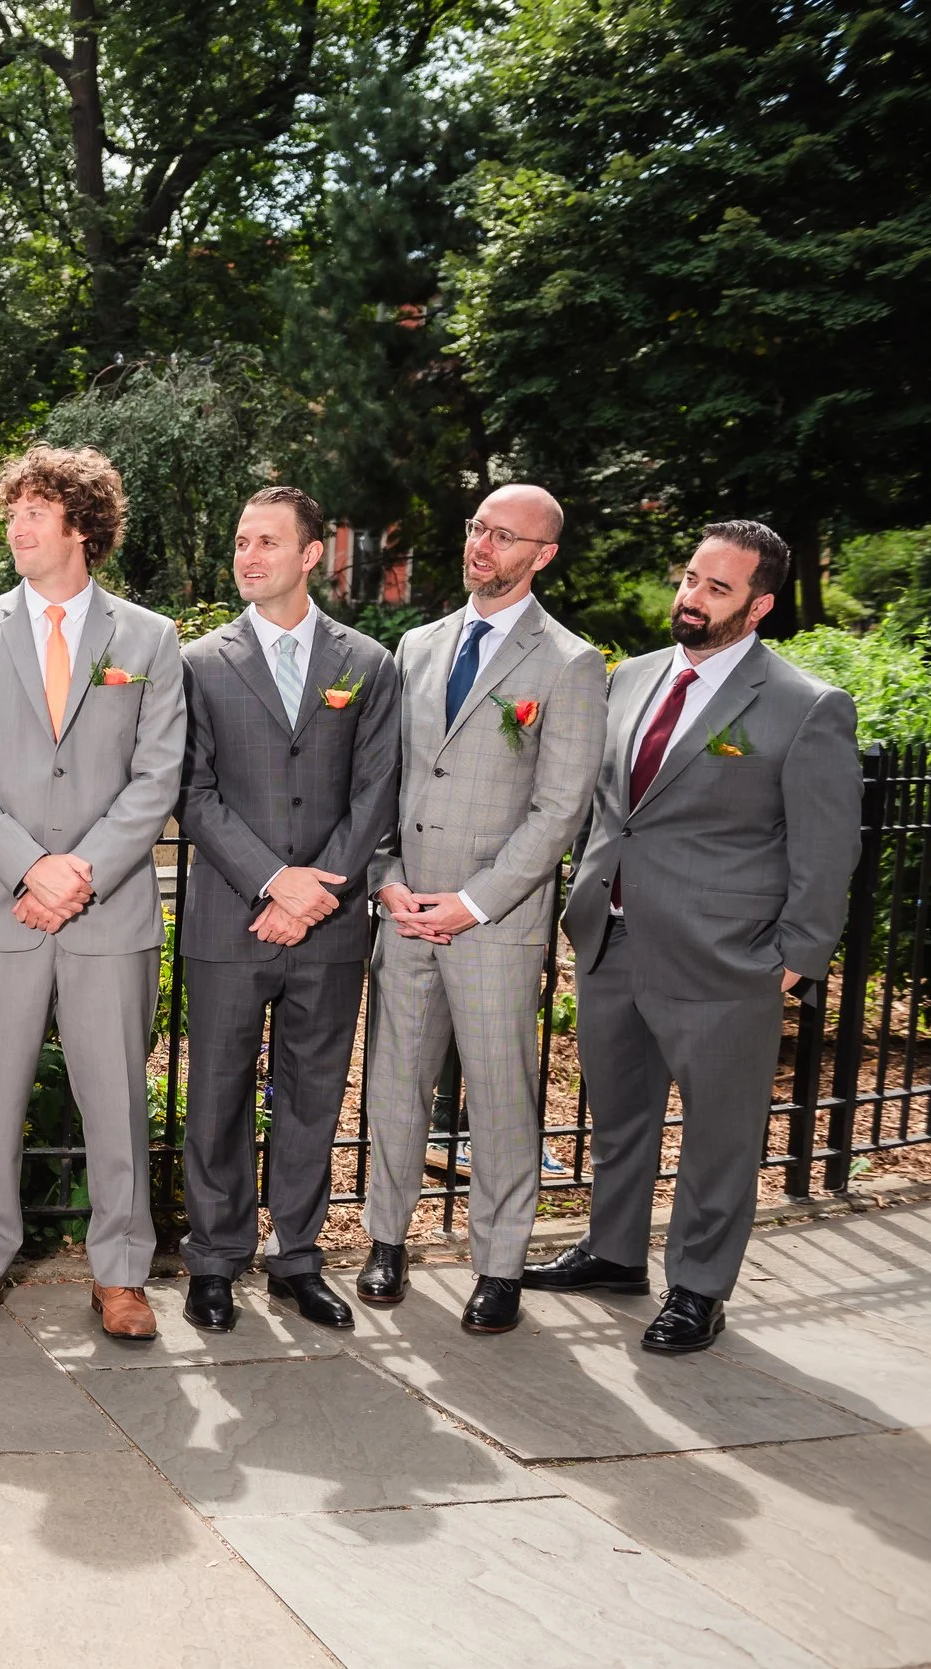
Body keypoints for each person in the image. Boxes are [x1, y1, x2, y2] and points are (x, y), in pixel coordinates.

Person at [524, 523, 859, 1353]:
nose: (692, 598)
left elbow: (826, 845)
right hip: (613, 938)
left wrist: (797, 955)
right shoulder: (631, 676)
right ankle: (613, 1252)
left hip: (727, 957)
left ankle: (700, 1287)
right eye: (690, 578)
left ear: (760, 606)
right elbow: (612, 807)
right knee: (620, 1114)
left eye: (717, 587)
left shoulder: (805, 705)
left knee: (721, 1130)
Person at [0, 446, 186, 1339]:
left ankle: (121, 1272)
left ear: (82, 524)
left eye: (35, 510)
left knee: (115, 1099)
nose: (16, 526)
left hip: (107, 909)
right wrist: (28, 866)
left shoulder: (149, 638)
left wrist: (80, 872)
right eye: (12, 512)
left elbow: (157, 775)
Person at [360, 484, 606, 1334]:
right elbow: (388, 778)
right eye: (477, 528)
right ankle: (385, 1240)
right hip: (405, 913)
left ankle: (498, 1266)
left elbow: (560, 809)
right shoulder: (419, 644)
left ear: (543, 555)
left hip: (495, 924)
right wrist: (386, 875)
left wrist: (472, 903)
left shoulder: (570, 662)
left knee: (501, 1100)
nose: (482, 545)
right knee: (396, 1084)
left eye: (505, 536)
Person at [176, 488, 401, 1332]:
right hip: (230, 917)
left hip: (330, 926)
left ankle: (297, 1257)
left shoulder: (367, 662)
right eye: (241, 541)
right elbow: (192, 791)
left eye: (267, 541)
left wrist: (315, 892)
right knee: (216, 1094)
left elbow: (377, 790)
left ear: (311, 555)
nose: (249, 555)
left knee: (313, 1094)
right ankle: (215, 1257)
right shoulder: (199, 662)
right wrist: (274, 881)